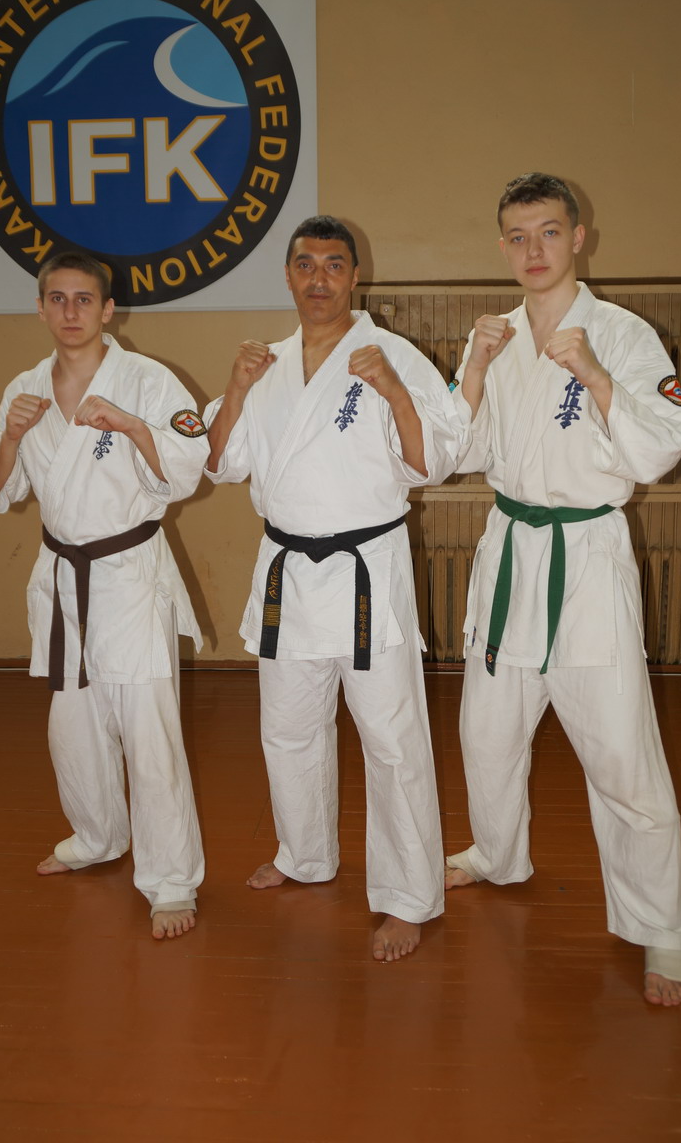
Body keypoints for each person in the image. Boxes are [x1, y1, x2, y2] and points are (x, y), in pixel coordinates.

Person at [445, 173, 681, 1005]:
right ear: (502, 247)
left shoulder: (623, 335)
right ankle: (497, 855)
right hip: (510, 551)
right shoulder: (494, 336)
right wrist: (474, 370)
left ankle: (662, 929)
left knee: (623, 756)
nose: (534, 250)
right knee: (486, 736)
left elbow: (660, 448)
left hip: (586, 559)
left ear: (579, 237)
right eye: (518, 236)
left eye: (549, 232)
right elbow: (455, 452)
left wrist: (594, 373)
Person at [204, 215, 459, 961]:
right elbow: (218, 463)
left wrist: (394, 391)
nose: (320, 278)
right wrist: (234, 387)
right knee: (288, 726)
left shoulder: (393, 354)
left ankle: (409, 897)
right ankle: (305, 853)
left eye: (335, 264)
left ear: (355, 276)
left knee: (392, 738)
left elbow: (434, 462)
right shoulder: (266, 363)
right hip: (287, 570)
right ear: (288, 276)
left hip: (365, 569)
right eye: (306, 264)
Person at [0, 252, 207, 941]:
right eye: (58, 298)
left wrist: (132, 426)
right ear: (41, 307)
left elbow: (189, 469)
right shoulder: (24, 390)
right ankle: (97, 836)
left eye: (84, 299)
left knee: (148, 733)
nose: (70, 311)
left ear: (108, 310)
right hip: (62, 576)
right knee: (73, 725)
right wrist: (11, 436)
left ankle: (171, 880)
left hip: (128, 575)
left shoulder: (149, 381)